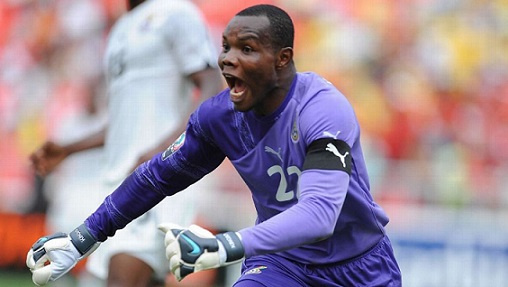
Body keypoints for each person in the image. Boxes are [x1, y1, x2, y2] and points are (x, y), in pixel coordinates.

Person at [27, 4, 402, 287]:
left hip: (361, 265)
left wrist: (223, 246)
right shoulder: (217, 118)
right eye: (225, 47)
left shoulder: (322, 108)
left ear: (282, 59)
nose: (228, 59)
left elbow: (320, 215)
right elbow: (155, 179)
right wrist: (82, 238)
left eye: (247, 49)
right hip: (279, 262)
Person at [28, 0, 223, 286]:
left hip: (155, 182)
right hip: (115, 184)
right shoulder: (121, 27)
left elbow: (211, 86)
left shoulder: (176, 12)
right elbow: (124, 119)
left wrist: (165, 151)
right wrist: (69, 149)